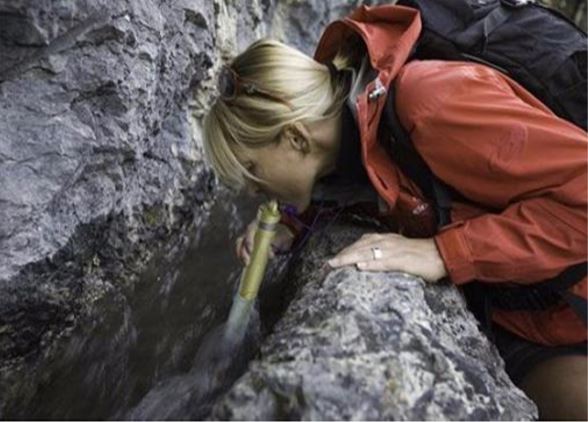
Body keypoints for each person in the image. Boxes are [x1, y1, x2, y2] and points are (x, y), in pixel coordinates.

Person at [202, 4, 587, 419]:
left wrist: (443, 253)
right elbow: (374, 176)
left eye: (252, 170)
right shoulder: (354, 131)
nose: (252, 190)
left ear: (295, 138)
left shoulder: (432, 102)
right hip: (529, 310)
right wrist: (296, 221)